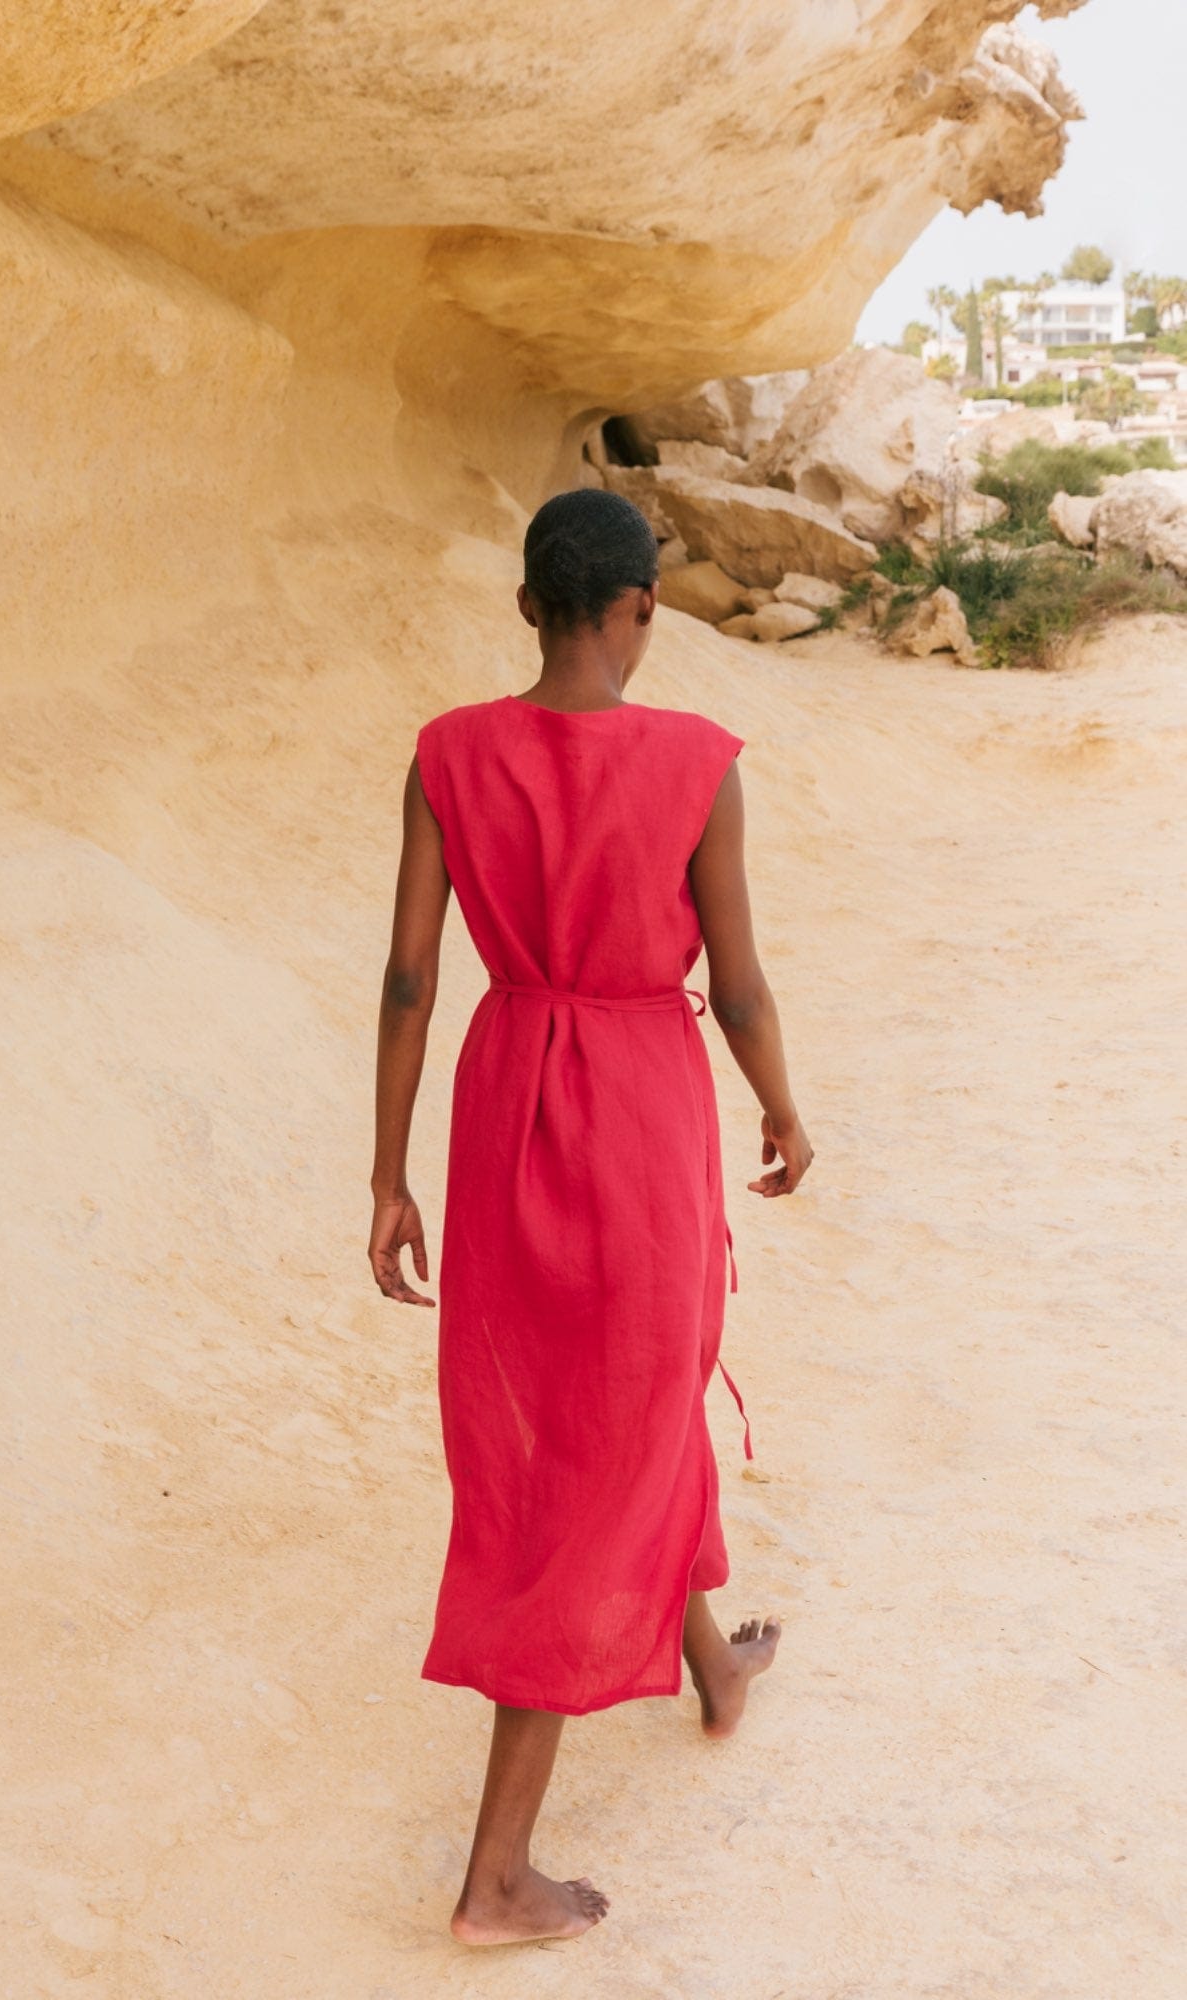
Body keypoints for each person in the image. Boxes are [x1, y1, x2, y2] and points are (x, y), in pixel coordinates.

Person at [369, 486, 813, 1946]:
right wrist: (784, 1108)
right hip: (635, 1106)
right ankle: (497, 1877)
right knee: (590, 1451)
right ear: (642, 609)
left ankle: (710, 1665)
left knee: (616, 1402)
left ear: (526, 606)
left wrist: (388, 1178)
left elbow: (410, 983)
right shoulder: (697, 764)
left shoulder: (448, 755)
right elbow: (738, 986)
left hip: (503, 1107)